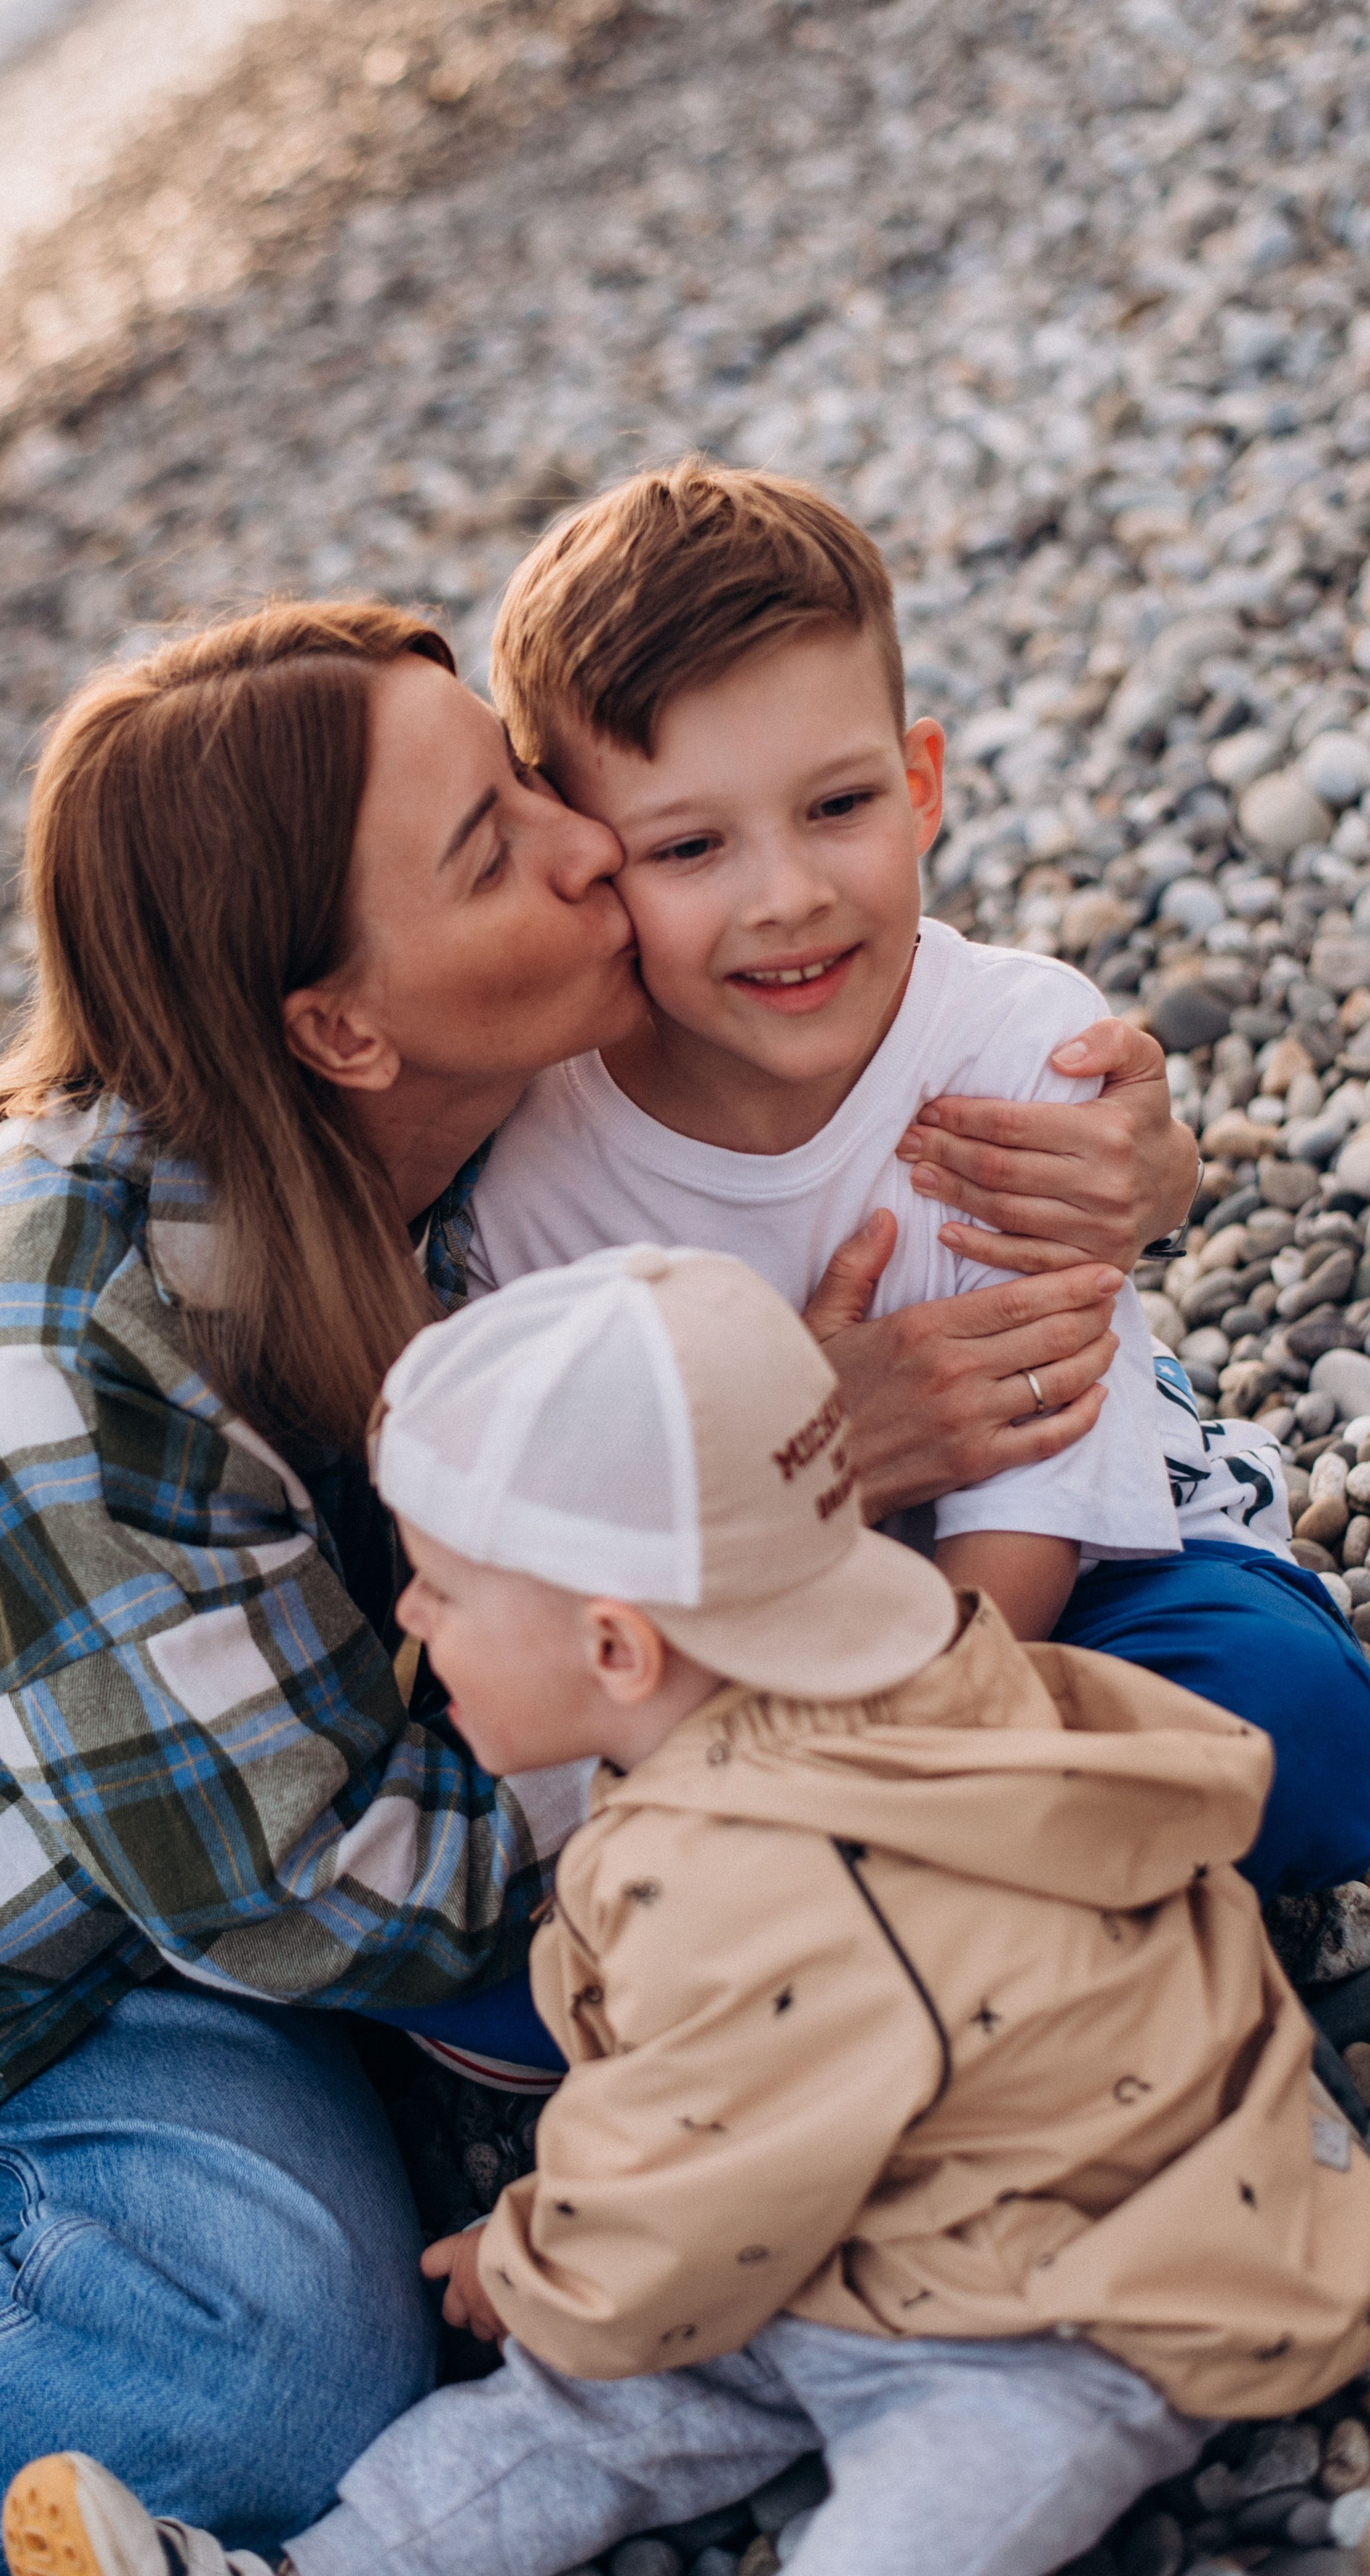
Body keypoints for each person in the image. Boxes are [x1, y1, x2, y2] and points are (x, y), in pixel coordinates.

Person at [0, 603, 1191, 2576]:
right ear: (338, 1027)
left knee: (286, 2381)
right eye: (496, 846)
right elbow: (326, 1891)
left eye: (526, 778)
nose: (587, 841)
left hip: (121, 1976)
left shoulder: (495, 1115)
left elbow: (867, 993)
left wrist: (1123, 1149)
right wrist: (753, 1493)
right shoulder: (61, 1314)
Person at [4, 1248, 1370, 2576]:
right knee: (580, 2408)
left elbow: (700, 2169)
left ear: (618, 1649)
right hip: (851, 2233)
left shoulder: (744, 1876)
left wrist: (529, 2263)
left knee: (903, 2513)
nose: (407, 1614)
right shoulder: (895, 1660)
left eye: (442, 1590)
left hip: (1075, 2288)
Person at [466, 460, 1370, 1886]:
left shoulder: (1016, 1044)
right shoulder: (536, 1173)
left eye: (837, 806)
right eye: (690, 846)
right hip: (749, 1659)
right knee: (580, 1871)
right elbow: (580, 1544)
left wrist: (908, 1769)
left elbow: (1038, 1490)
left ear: (919, 783)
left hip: (1081, 1580)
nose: (788, 895)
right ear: (589, 866)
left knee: (1291, 1719)